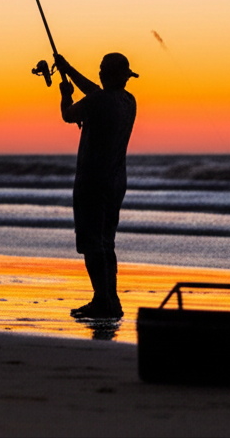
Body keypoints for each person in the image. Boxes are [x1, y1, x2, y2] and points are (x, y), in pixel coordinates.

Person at [53, 52, 138, 320]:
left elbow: (69, 115)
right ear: (125, 77)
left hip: (92, 181)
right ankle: (109, 299)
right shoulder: (128, 101)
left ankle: (103, 301)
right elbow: (95, 93)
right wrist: (69, 69)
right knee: (106, 242)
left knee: (92, 244)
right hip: (116, 181)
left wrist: (65, 93)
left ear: (106, 74)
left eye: (102, 71)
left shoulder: (97, 101)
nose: (99, 74)